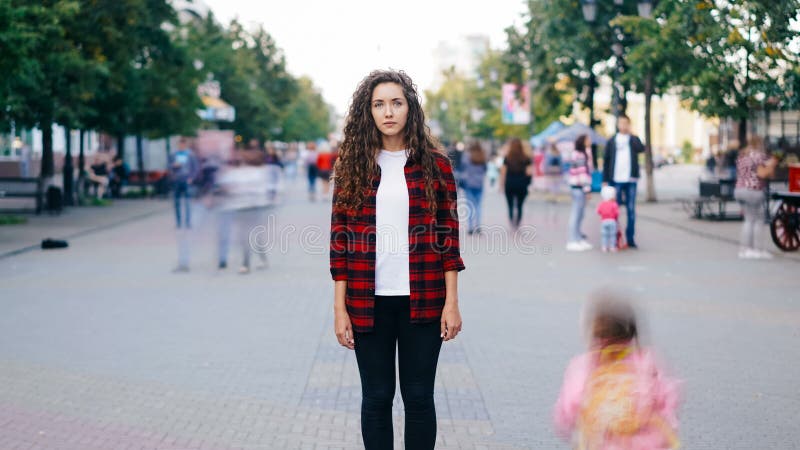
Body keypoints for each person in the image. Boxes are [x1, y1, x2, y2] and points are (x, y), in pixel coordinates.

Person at [329, 69, 465, 450]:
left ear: (410, 108)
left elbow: (448, 241)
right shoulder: (353, 166)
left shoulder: (436, 166)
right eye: (378, 104)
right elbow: (338, 243)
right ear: (367, 111)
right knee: (376, 398)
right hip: (366, 301)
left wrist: (452, 303)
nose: (388, 111)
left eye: (396, 102)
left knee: (419, 398)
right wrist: (339, 310)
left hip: (423, 299)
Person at [554, 293, 681, 450]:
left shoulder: (585, 365)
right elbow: (667, 399)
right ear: (632, 332)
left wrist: (568, 425)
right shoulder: (648, 361)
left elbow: (569, 407)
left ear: (594, 333)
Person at [602, 114, 645, 249]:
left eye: (626, 123)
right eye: (621, 123)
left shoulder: (632, 139)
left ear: (629, 124)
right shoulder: (612, 141)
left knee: (631, 210)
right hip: (615, 179)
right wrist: (605, 179)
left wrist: (633, 135)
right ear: (617, 124)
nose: (623, 126)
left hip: (630, 179)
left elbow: (641, 148)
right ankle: (614, 238)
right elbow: (606, 161)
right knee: (614, 210)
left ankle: (630, 239)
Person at [734, 136, 778, 259]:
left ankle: (744, 250)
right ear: (760, 144)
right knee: (758, 220)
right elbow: (763, 173)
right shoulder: (758, 156)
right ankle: (757, 250)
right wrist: (773, 164)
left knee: (748, 220)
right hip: (753, 190)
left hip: (739, 190)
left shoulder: (742, 155)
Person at [567, 135, 594, 251]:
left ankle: (578, 238)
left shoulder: (583, 153)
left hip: (578, 187)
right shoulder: (580, 155)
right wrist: (587, 189)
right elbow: (582, 173)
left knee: (580, 214)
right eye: (588, 139)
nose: (590, 141)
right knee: (576, 214)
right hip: (579, 187)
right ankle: (572, 240)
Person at [499, 138, 532, 229]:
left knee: (510, 205)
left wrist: (501, 184)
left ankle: (512, 222)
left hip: (509, 184)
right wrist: (528, 183)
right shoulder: (526, 158)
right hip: (522, 184)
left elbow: (503, 172)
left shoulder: (507, 158)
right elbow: (529, 172)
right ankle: (517, 222)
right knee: (520, 205)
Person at [169, 137, 199, 229]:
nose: (181, 146)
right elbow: (169, 166)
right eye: (180, 144)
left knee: (187, 202)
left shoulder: (190, 154)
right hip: (177, 180)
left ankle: (188, 222)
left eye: (183, 144)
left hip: (186, 180)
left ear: (185, 145)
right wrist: (173, 167)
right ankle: (178, 223)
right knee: (177, 202)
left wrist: (191, 178)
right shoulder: (174, 154)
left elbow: (195, 167)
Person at [459, 142, 488, 234]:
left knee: (470, 205)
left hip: (469, 183)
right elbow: (485, 169)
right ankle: (478, 226)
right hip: (479, 183)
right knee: (478, 205)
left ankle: (471, 227)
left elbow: (463, 168)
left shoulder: (467, 156)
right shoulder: (482, 156)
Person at [597, 186, 620, 253]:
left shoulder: (602, 204)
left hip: (604, 221)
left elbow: (598, 211)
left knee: (604, 235)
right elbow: (617, 213)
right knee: (612, 235)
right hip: (612, 221)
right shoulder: (614, 204)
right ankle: (612, 247)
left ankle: (604, 246)